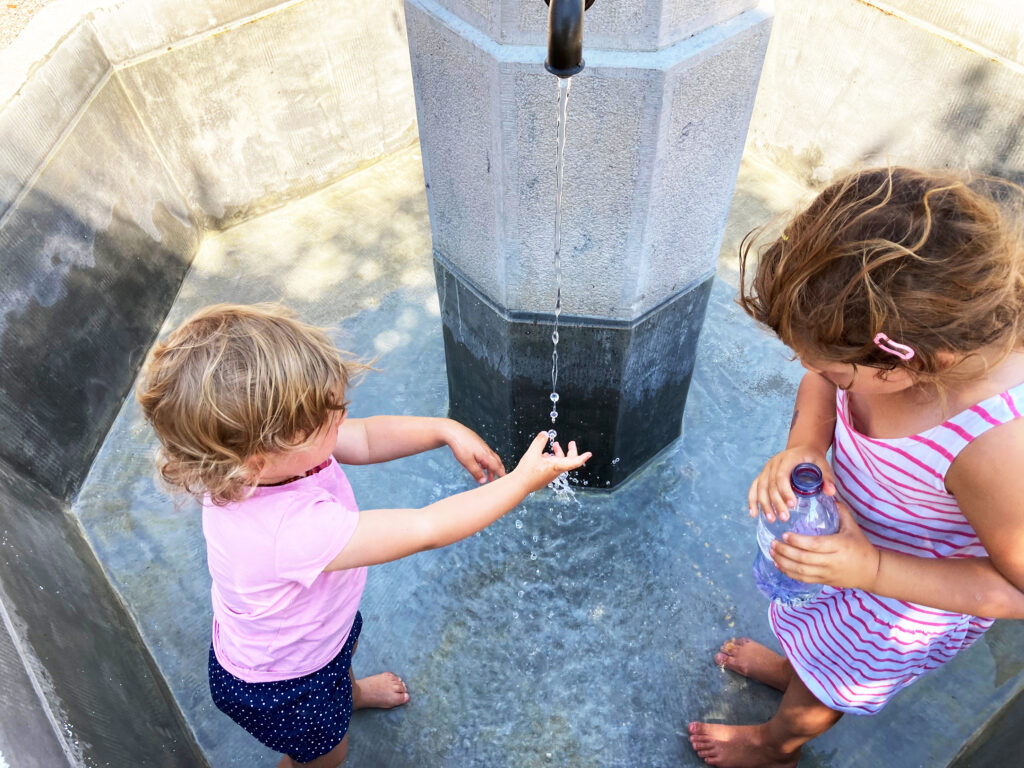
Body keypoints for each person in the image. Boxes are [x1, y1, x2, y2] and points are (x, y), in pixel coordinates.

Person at [136, 303, 590, 768]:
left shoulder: (261, 464)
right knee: (326, 755)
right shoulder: (288, 531)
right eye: (326, 417)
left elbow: (369, 437)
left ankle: (348, 694)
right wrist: (521, 482)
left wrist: (443, 428)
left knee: (343, 648)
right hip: (285, 684)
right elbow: (426, 527)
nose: (343, 414)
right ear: (256, 459)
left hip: (314, 635)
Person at [689, 167, 1024, 767]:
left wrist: (869, 567)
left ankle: (777, 745)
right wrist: (808, 446)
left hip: (898, 601)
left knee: (830, 684)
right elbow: (823, 374)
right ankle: (798, 666)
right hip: (847, 562)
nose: (813, 369)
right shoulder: (879, 343)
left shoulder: (995, 448)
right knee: (815, 642)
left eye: (839, 373)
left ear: (905, 365)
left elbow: (1016, 588)